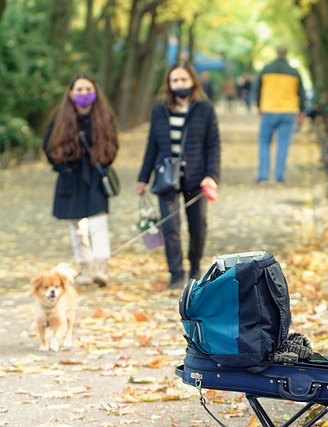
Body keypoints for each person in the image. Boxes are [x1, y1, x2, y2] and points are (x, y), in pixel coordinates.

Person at [136, 62, 221, 289]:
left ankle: (194, 268)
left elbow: (213, 145)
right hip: (166, 177)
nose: (179, 84)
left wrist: (211, 175)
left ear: (192, 81)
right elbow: (152, 144)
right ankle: (175, 273)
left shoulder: (205, 109)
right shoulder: (159, 109)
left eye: (183, 80)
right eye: (175, 81)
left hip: (197, 176)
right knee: (170, 226)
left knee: (198, 226)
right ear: (169, 84)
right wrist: (143, 177)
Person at [43, 73, 119, 287]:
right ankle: (85, 267)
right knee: (76, 226)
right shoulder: (60, 117)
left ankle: (101, 267)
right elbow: (48, 145)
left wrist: (102, 163)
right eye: (79, 90)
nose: (84, 93)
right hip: (71, 177)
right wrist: (62, 166)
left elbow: (113, 143)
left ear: (95, 91)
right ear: (71, 93)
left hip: (94, 176)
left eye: (88, 89)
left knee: (98, 223)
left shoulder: (104, 116)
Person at [254, 44, 305, 185]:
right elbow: (301, 93)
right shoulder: (294, 72)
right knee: (283, 144)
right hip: (288, 111)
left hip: (269, 110)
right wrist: (302, 110)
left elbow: (257, 88)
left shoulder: (266, 69)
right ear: (287, 53)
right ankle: (279, 176)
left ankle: (263, 176)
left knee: (264, 143)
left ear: (276, 53)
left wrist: (259, 106)